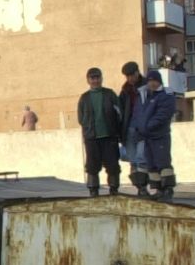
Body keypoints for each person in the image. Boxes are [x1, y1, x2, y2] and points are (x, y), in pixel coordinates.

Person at [126, 68, 178, 199]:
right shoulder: (147, 96)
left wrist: (147, 126)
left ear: (159, 81)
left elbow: (162, 115)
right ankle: (158, 189)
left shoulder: (166, 95)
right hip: (147, 136)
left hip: (159, 135)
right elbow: (138, 115)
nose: (152, 84)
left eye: (154, 81)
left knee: (163, 162)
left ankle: (167, 189)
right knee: (152, 165)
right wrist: (139, 129)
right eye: (150, 81)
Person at [76, 66, 122, 196]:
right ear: (88, 80)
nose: (95, 80)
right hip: (92, 138)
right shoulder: (84, 98)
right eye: (92, 78)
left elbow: (119, 114)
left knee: (112, 164)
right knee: (92, 165)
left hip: (109, 136)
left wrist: (115, 129)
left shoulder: (110, 94)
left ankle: (113, 188)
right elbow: (80, 118)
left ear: (101, 78)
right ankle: (93, 188)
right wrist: (88, 127)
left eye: (97, 77)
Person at [118, 59, 149, 194]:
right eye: (127, 76)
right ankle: (140, 188)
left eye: (132, 75)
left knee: (142, 159)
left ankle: (145, 186)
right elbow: (120, 111)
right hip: (129, 128)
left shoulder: (148, 85)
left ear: (137, 73)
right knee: (133, 161)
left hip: (144, 129)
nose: (130, 78)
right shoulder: (125, 90)